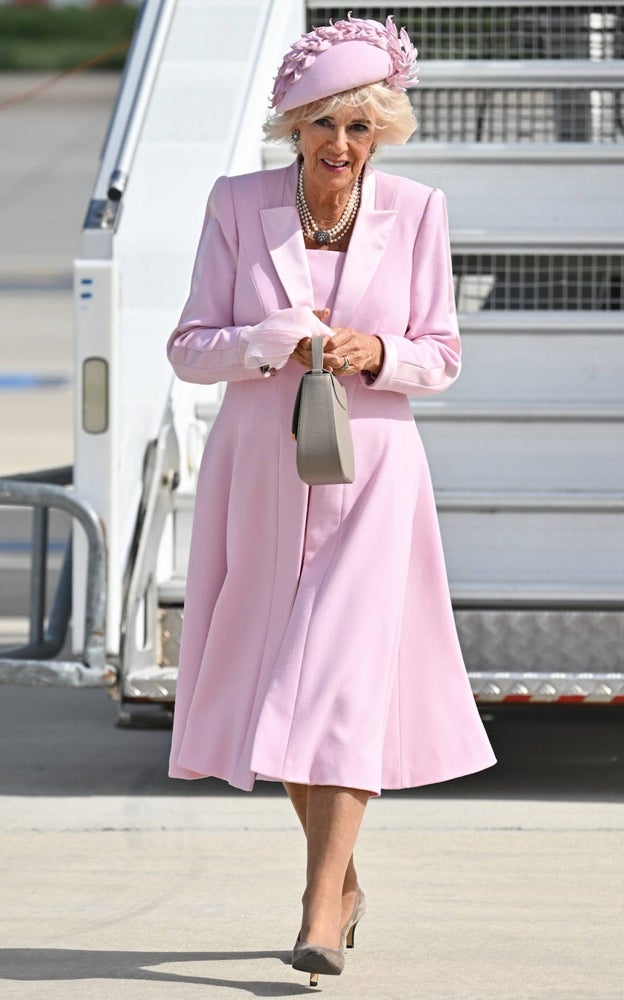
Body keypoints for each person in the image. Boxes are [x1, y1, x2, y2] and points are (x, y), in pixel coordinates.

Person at [167, 13, 496, 986]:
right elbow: (189, 348)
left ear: (384, 128)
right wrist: (268, 338)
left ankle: (317, 910)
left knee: (343, 681)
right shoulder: (237, 205)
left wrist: (378, 353)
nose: (341, 146)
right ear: (294, 129)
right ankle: (343, 883)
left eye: (360, 127)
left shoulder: (420, 209)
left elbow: (440, 354)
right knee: (284, 682)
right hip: (261, 471)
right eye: (323, 126)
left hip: (373, 475)